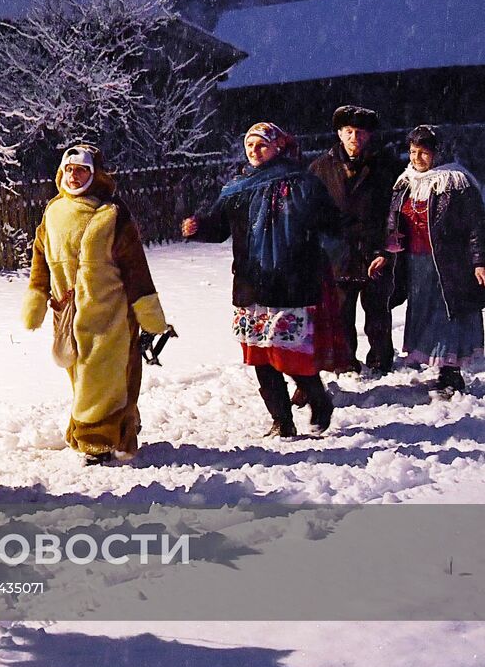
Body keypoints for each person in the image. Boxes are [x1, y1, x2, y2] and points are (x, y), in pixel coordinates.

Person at [183, 124, 343, 437]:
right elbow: (219, 228)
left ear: (278, 147)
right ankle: (281, 421)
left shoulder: (303, 184)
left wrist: (314, 254)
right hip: (251, 283)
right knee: (260, 356)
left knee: (290, 354)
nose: (254, 151)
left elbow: (330, 226)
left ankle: (318, 399)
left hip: (291, 283)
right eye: (250, 145)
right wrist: (198, 227)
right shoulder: (237, 187)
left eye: (262, 145)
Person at [20, 144, 169, 465]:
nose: (74, 176)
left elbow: (135, 266)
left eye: (82, 170)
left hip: (110, 314)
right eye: (69, 170)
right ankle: (122, 425)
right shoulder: (53, 212)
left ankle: (95, 441)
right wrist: (37, 294)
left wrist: (148, 311)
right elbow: (40, 257)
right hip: (68, 313)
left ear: (94, 174)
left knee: (97, 378)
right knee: (87, 377)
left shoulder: (112, 214)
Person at [368, 125, 485, 397]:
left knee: (448, 315)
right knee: (424, 315)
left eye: (423, 152)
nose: (417, 158)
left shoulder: (457, 181)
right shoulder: (405, 181)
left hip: (449, 263)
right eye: (412, 151)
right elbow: (392, 222)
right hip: (416, 263)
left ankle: (451, 373)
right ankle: (438, 365)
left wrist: (480, 261)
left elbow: (476, 226)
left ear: (437, 153)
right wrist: (386, 252)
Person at [309, 104, 400, 373]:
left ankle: (381, 362)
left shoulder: (386, 167)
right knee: (341, 312)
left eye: (360, 133)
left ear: (369, 135)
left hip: (374, 250)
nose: (354, 138)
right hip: (338, 252)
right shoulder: (320, 167)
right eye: (348, 132)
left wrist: (385, 249)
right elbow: (311, 212)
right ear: (339, 133)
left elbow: (395, 211)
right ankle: (346, 362)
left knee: (378, 312)